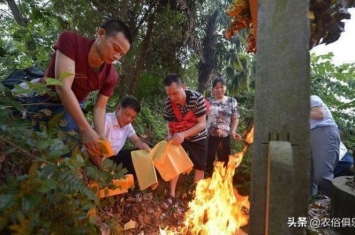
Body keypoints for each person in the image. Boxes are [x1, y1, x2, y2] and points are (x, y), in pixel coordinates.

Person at [25, 19, 133, 155]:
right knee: (27, 140)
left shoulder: (111, 76)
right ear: (100, 33)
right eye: (116, 48)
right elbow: (63, 87)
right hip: (45, 96)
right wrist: (86, 129)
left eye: (121, 54)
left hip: (74, 104)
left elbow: (100, 107)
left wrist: (101, 134)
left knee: (70, 140)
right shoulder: (71, 41)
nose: (117, 56)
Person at [162, 74, 208, 209]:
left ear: (183, 87)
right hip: (178, 136)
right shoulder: (168, 103)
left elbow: (202, 124)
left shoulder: (197, 99)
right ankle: (171, 194)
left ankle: (196, 197)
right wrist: (170, 135)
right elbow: (169, 124)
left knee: (200, 167)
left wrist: (183, 134)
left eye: (175, 93)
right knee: (175, 163)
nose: (172, 97)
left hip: (198, 136)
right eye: (169, 94)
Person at [205, 77, 241, 175]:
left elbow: (235, 118)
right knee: (209, 159)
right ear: (213, 89)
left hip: (225, 136)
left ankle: (223, 182)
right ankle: (207, 182)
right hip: (210, 136)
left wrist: (233, 131)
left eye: (221, 87)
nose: (219, 89)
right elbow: (202, 118)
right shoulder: (208, 101)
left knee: (224, 161)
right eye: (216, 87)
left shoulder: (232, 101)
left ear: (225, 88)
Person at [310, 95, 340, 197]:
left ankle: (344, 200)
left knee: (322, 176)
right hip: (309, 135)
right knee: (309, 176)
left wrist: (298, 112)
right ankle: (311, 201)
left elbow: (320, 114)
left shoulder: (312, 98)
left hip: (323, 130)